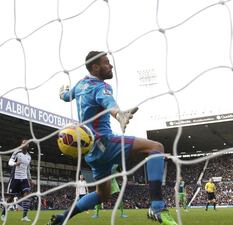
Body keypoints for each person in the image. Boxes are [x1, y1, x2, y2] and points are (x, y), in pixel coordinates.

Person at [48, 51, 177, 225]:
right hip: (105, 142)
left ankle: (63, 217)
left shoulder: (79, 85)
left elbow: (66, 96)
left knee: (103, 194)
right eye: (106, 63)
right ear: (95, 67)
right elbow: (109, 103)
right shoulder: (101, 86)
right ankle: (157, 207)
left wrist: (62, 92)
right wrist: (119, 115)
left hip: (91, 153)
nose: (111, 66)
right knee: (156, 148)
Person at [1, 139, 32, 222]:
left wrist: (30, 178)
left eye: (26, 144)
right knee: (11, 198)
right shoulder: (16, 152)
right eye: (23, 143)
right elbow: (10, 162)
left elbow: (28, 168)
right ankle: (3, 213)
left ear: (28, 146)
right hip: (15, 178)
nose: (24, 144)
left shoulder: (29, 157)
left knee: (27, 196)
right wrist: (15, 163)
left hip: (24, 178)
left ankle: (24, 217)